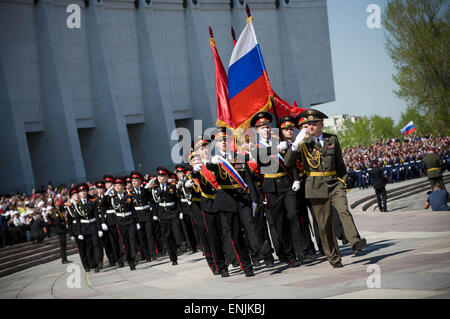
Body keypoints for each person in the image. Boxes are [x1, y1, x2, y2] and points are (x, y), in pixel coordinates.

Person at [284, 108, 367, 268]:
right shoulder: (302, 143)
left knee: (343, 210)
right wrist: (295, 144)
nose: (311, 126)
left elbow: (340, 164)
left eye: (314, 123)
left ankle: (355, 242)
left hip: (334, 183)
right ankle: (334, 257)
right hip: (315, 186)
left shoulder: (332, 139)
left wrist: (343, 182)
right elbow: (288, 162)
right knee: (325, 224)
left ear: (322, 124)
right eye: (307, 124)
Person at [250, 111, 303, 267]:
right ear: (257, 131)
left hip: (287, 184)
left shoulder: (280, 142)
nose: (266, 130)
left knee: (293, 215)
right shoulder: (256, 147)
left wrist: (297, 179)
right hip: (271, 188)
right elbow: (260, 158)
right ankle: (288, 254)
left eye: (267, 127)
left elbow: (290, 162)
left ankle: (299, 249)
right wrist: (275, 148)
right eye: (262, 128)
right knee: (279, 223)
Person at [148, 167, 180, 266]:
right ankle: (173, 257)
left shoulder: (172, 186)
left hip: (173, 212)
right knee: (167, 236)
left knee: (176, 231)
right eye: (159, 176)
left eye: (162, 176)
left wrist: (179, 212)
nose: (160, 178)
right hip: (163, 214)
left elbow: (177, 200)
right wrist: (155, 214)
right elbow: (154, 202)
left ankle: (180, 244)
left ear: (166, 177)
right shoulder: (155, 189)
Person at [107, 177, 139, 270]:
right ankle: (130, 261)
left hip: (130, 220)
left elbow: (134, 210)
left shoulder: (129, 197)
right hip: (120, 222)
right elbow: (102, 204)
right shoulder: (112, 198)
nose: (117, 187)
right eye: (115, 186)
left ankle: (134, 256)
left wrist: (137, 222)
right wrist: (107, 192)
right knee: (125, 242)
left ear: (123, 187)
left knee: (132, 239)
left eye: (119, 185)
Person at [130, 171, 158, 262]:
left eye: (136, 180)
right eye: (133, 180)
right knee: (141, 237)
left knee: (150, 235)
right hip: (138, 216)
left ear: (140, 181)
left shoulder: (145, 190)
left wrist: (154, 213)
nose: (134, 182)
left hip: (147, 214)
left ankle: (153, 253)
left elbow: (152, 202)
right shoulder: (130, 193)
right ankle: (147, 256)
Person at [75, 183, 103, 273]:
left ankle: (97, 264)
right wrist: (79, 233)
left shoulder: (92, 202)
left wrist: (99, 229)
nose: (83, 193)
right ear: (78, 194)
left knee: (96, 246)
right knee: (88, 248)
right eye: (81, 191)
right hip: (84, 229)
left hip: (93, 226)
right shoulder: (77, 206)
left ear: (87, 192)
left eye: (84, 191)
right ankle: (91, 264)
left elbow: (97, 216)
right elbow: (78, 220)